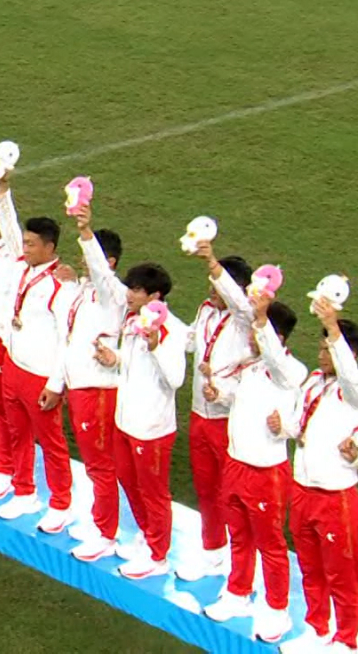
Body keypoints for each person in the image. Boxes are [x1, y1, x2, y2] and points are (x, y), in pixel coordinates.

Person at [76, 201, 187, 579]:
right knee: (128, 481)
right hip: (127, 420)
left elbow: (175, 379)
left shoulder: (173, 329)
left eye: (136, 291)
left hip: (152, 428)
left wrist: (155, 344)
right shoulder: (135, 321)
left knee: (154, 492)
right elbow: (134, 363)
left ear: (154, 296)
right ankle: (147, 534)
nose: (129, 295)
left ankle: (158, 556)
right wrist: (116, 357)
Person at [199, 288, 303, 646]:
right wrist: (221, 394)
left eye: (258, 331)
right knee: (239, 534)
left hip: (265, 473)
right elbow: (243, 398)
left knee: (270, 544)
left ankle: (277, 609)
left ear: (276, 336)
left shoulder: (290, 370)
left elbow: (274, 357)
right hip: (236, 464)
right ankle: (238, 593)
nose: (249, 336)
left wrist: (260, 319)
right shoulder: (253, 367)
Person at [0, 181, 73, 534]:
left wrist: (56, 383)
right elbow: (8, 225)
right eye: (24, 242)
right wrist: (2, 190)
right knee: (17, 432)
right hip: (13, 363)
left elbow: (67, 340)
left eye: (31, 244)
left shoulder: (62, 286)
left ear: (50, 247)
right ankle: (23, 490)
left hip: (40, 375)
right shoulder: (21, 268)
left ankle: (61, 503)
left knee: (51, 441)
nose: (23, 248)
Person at [280, 303, 358, 654]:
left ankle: (347, 638)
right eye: (322, 347)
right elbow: (300, 425)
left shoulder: (351, 390)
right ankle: (317, 628)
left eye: (329, 349)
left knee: (341, 573)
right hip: (303, 488)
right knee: (310, 567)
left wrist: (332, 325)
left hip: (335, 496)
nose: (322, 354)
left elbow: (351, 377)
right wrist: (284, 427)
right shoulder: (314, 381)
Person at [179, 243, 255, 582]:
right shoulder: (206, 310)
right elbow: (191, 342)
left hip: (227, 420)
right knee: (206, 489)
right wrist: (154, 316)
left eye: (218, 284)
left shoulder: (245, 320)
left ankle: (242, 565)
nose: (211, 290)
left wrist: (212, 262)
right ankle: (212, 552)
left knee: (231, 496)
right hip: (199, 414)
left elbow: (239, 303)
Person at [55, 223, 125, 561]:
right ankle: (101, 520)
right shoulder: (86, 290)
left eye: (90, 255)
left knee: (100, 463)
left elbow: (98, 273)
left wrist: (84, 228)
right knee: (93, 461)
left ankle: (106, 533)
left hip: (97, 390)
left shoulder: (114, 295)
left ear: (108, 262)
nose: (84, 261)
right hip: (80, 386)